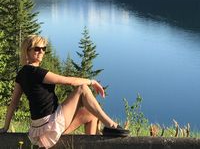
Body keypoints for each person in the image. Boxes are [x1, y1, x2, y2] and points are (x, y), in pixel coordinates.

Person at [0, 35, 129, 148]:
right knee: (82, 88)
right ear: (27, 51)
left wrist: (5, 127)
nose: (41, 52)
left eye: (43, 49)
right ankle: (111, 124)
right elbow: (69, 81)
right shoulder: (36, 72)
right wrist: (92, 82)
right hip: (50, 124)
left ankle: (94, 144)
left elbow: (13, 104)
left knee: (90, 114)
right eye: (37, 49)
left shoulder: (22, 74)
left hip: (40, 129)